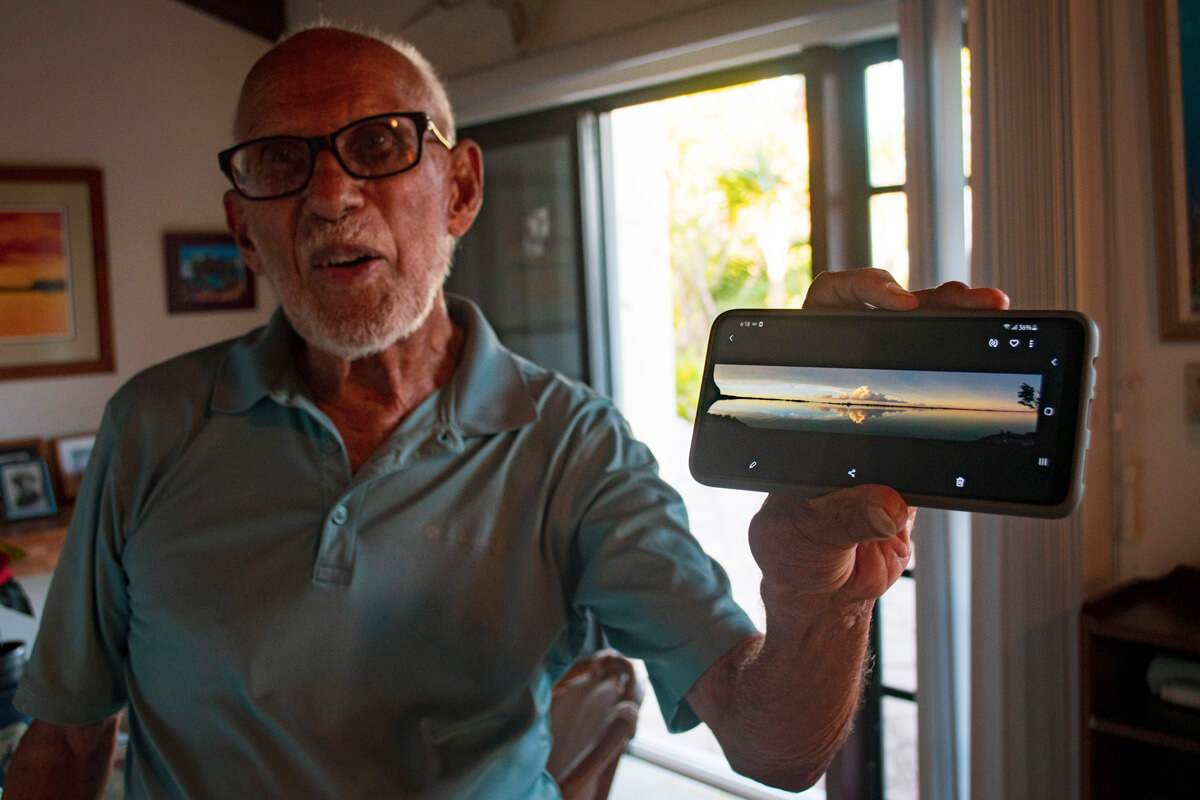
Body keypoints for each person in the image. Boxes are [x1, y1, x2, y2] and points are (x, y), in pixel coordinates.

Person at [5, 26, 1008, 800]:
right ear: (242, 228)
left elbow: (772, 745)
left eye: (379, 143)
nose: (331, 194)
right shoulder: (153, 424)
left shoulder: (576, 448)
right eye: (279, 161)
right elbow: (67, 739)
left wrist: (816, 594)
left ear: (461, 188)